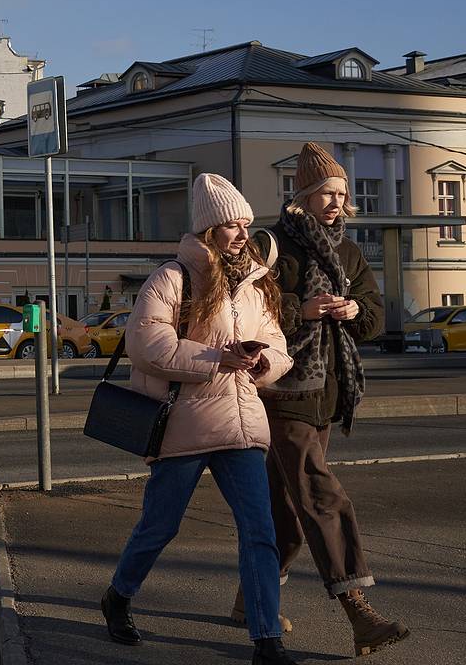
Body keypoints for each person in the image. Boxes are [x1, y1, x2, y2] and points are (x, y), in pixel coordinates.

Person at [101, 173, 300, 665]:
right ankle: (118, 597)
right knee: (159, 526)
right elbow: (147, 345)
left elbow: (279, 347)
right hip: (183, 424)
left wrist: (261, 362)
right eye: (229, 225)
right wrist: (218, 357)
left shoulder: (256, 284)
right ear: (208, 229)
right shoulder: (173, 277)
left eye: (244, 224)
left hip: (242, 425)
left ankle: (266, 641)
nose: (239, 233)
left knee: (260, 531)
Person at [247, 142, 408, 657]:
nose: (336, 202)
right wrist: (304, 310)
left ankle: (251, 597)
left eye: (341, 193)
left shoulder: (349, 252)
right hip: (280, 391)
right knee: (320, 496)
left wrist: (352, 309)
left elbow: (375, 319)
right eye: (325, 193)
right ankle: (358, 610)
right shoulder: (271, 245)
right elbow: (243, 309)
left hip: (328, 393)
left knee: (286, 511)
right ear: (304, 195)